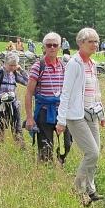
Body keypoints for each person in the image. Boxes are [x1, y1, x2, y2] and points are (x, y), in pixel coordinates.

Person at [56, 28, 105, 206]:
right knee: (92, 153)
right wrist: (61, 120)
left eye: (96, 41)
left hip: (92, 114)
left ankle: (91, 190)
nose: (95, 45)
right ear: (80, 43)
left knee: (95, 154)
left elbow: (96, 92)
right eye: (91, 41)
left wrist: (102, 113)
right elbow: (66, 92)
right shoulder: (74, 64)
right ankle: (78, 191)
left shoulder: (92, 64)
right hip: (76, 116)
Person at [24, 32, 71, 164]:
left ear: (59, 47)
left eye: (55, 45)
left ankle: (60, 165)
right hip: (44, 112)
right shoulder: (38, 67)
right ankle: (45, 171)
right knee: (45, 148)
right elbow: (28, 93)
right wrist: (29, 118)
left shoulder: (63, 66)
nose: (52, 48)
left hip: (61, 112)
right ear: (44, 47)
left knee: (67, 144)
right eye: (49, 45)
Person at [0, 52, 28, 143]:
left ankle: (20, 147)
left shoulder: (14, 73)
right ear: (5, 63)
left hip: (14, 105)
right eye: (11, 65)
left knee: (17, 128)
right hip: (0, 105)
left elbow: (28, 82)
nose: (12, 67)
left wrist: (21, 70)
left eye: (14, 65)